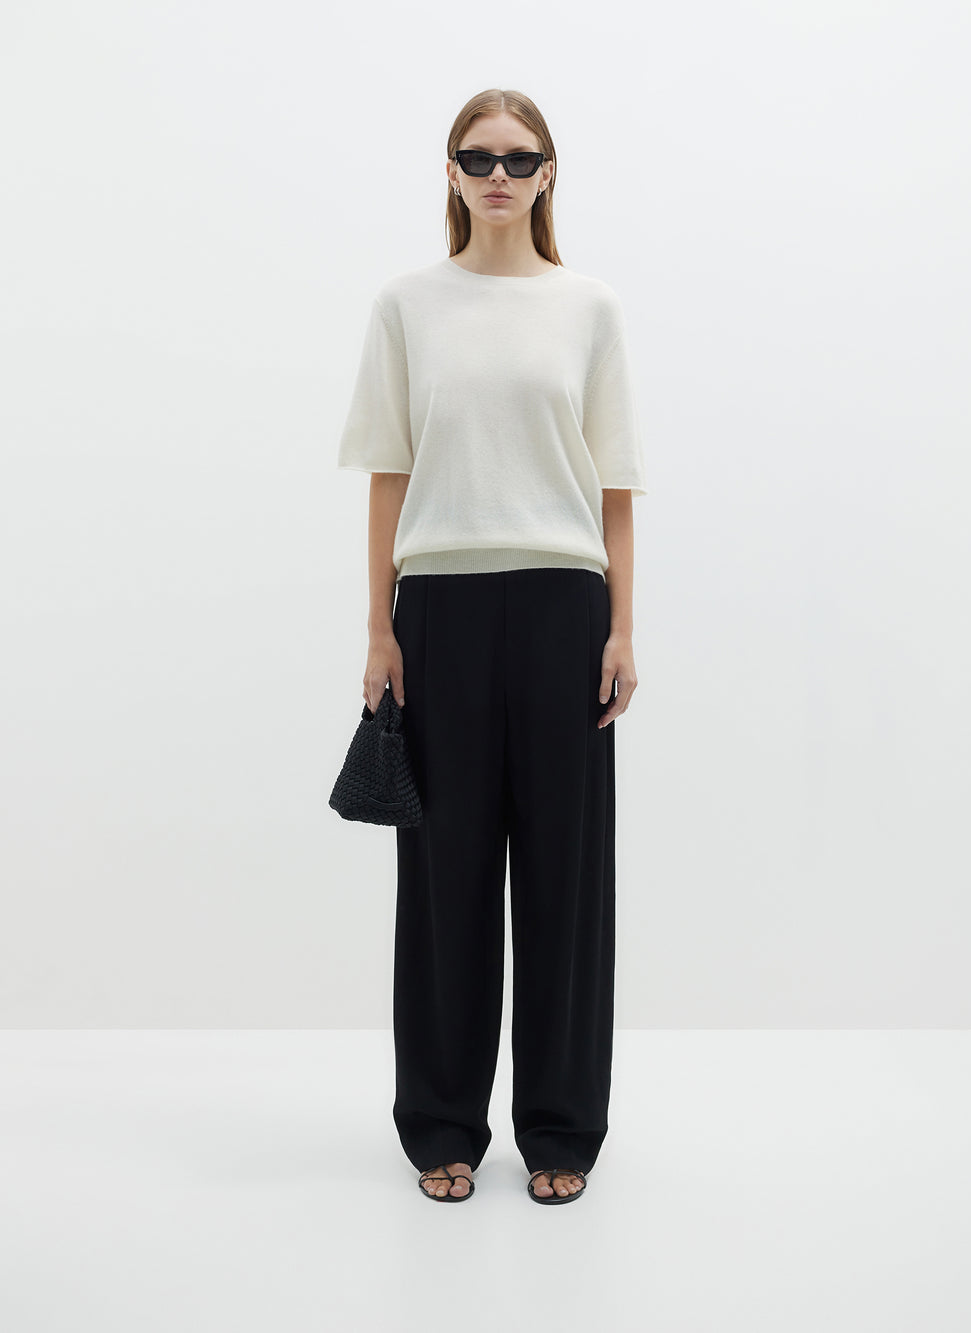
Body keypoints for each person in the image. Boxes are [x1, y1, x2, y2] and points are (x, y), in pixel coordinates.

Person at [336, 88, 648, 1205]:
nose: (499, 175)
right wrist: (379, 625)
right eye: (478, 158)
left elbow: (614, 484)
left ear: (549, 172)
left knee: (565, 877)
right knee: (445, 878)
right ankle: (441, 1124)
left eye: (519, 158)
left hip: (565, 606)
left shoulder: (588, 306)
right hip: (441, 609)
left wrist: (623, 625)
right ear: (452, 173)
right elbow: (389, 471)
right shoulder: (407, 306)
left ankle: (561, 1127)